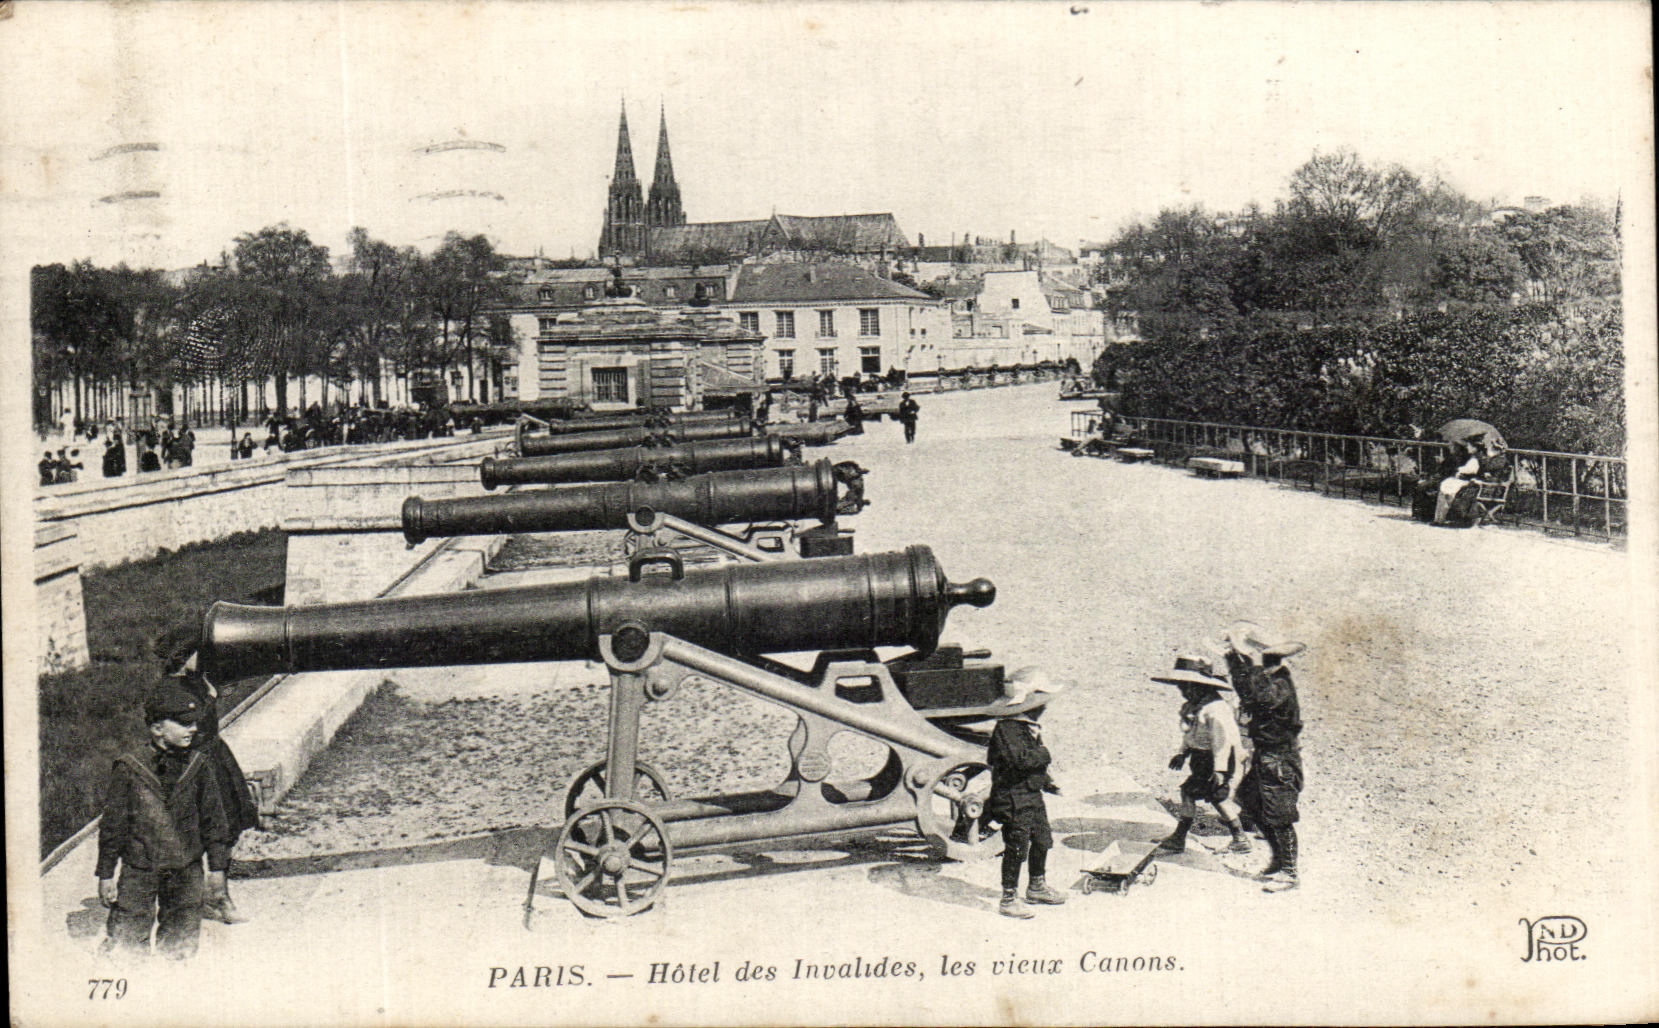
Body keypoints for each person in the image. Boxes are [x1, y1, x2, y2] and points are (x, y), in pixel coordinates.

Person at [95, 681, 233, 959]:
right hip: (140, 869)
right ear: (157, 729)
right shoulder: (130, 767)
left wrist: (217, 868)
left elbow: (214, 822)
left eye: (194, 722)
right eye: (183, 723)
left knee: (181, 947)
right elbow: (113, 826)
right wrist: (106, 873)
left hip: (186, 870)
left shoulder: (199, 766)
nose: (192, 729)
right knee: (127, 943)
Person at [160, 631, 260, 923]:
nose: (205, 658)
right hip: (190, 765)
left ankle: (217, 892)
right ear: (182, 657)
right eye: (197, 653)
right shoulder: (169, 690)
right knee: (198, 830)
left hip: (215, 758)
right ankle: (205, 897)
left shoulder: (196, 682)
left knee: (226, 824)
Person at [1222, 622, 1307, 893]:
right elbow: (1250, 694)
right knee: (1252, 803)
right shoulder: (1273, 679)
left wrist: (1240, 663)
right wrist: (1238, 663)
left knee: (1279, 814)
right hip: (1268, 756)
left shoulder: (1278, 683)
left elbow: (1255, 696)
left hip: (1279, 759)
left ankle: (1290, 873)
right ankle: (1279, 861)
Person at [984, 669, 1067, 918]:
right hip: (1013, 796)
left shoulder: (1028, 727)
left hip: (1031, 793)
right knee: (1017, 846)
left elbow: (1032, 764)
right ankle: (1009, 898)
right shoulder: (1007, 729)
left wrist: (1047, 781)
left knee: (1042, 840)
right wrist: (1045, 754)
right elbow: (1021, 761)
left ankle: (1036, 886)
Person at [1153, 654, 1251, 856]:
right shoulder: (1197, 707)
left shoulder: (1216, 709)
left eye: (1186, 687)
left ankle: (1237, 838)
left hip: (1216, 760)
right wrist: (1182, 753)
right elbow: (1192, 734)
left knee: (1213, 796)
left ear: (1200, 686)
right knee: (1199, 795)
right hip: (1201, 759)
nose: (1183, 692)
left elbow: (1222, 742)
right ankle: (1238, 838)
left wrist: (1221, 770)